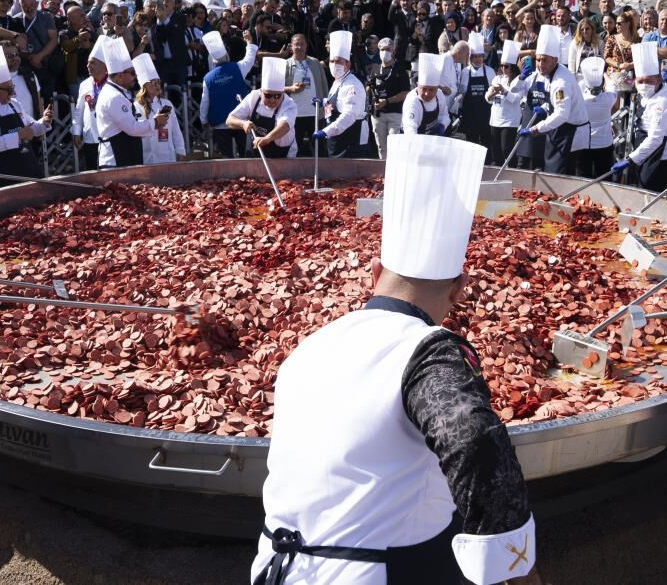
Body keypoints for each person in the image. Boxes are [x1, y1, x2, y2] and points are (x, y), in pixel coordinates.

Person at [249, 133, 536, 585]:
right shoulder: (429, 351)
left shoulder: (309, 347)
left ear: (375, 273)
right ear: (458, 291)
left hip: (276, 570)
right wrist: (514, 569)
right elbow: (475, 441)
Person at [514, 24, 589, 175]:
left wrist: (536, 128)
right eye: (538, 60)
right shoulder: (545, 73)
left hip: (571, 131)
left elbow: (562, 114)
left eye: (545, 60)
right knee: (551, 170)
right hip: (558, 128)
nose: (540, 65)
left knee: (562, 173)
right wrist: (546, 108)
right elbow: (516, 90)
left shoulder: (561, 82)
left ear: (555, 60)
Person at [0, 45, 51, 187]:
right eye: (8, 89)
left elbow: (32, 127)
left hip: (26, 166)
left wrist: (44, 121)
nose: (12, 93)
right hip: (3, 171)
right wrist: (19, 135)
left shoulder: (14, 103)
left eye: (12, 88)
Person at [610, 42, 667, 192]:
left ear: (659, 79)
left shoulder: (661, 102)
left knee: (652, 193)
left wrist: (631, 159)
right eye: (640, 81)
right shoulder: (649, 93)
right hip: (648, 149)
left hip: (662, 155)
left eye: (649, 81)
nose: (644, 85)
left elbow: (655, 139)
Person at [95, 38, 166, 167]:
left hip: (122, 155)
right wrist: (155, 122)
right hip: (116, 159)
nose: (135, 77)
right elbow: (132, 128)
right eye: (132, 73)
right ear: (119, 76)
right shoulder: (114, 97)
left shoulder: (116, 92)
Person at [200, 29, 258, 158]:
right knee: (244, 155)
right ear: (227, 55)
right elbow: (250, 58)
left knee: (226, 159)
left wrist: (203, 120)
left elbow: (205, 101)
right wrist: (249, 42)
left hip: (220, 124)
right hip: (240, 121)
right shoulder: (237, 68)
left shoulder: (207, 78)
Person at [227, 57, 297, 158]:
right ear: (261, 92)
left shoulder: (289, 104)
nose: (273, 100)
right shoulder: (254, 97)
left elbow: (284, 126)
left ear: (282, 93)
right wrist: (243, 123)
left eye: (277, 96)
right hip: (259, 151)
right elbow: (229, 120)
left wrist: (267, 139)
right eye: (268, 96)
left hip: (285, 154)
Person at [313, 30, 368, 158]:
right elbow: (339, 103)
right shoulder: (338, 80)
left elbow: (349, 115)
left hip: (349, 139)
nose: (334, 65)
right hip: (336, 139)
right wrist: (324, 101)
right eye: (332, 61)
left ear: (348, 64)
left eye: (338, 62)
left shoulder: (352, 85)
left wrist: (326, 132)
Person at [133, 53, 185, 165]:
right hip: (146, 158)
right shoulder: (136, 106)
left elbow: (176, 130)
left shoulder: (166, 104)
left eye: (158, 82)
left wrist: (180, 150)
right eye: (153, 83)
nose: (157, 86)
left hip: (167, 155)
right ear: (144, 86)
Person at [285, 34, 329, 158]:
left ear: (306, 45)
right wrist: (291, 89)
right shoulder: (286, 65)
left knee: (319, 148)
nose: (299, 47)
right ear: (291, 47)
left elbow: (324, 85)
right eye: (296, 44)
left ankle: (322, 174)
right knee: (295, 148)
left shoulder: (315, 63)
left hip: (315, 114)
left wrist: (326, 106)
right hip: (294, 114)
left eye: (302, 44)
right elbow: (277, 89)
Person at [574, 56, 616, 178]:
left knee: (583, 178)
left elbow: (579, 85)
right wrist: (604, 75)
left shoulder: (581, 99)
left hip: (584, 145)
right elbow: (612, 84)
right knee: (604, 178)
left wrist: (587, 78)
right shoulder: (608, 99)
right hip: (604, 145)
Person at [71, 35, 108, 171]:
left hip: (108, 136)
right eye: (88, 62)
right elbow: (79, 109)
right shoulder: (85, 84)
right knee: (92, 170)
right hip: (89, 136)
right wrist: (76, 131)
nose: (88, 66)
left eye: (92, 63)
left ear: (103, 65)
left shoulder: (112, 84)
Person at [368, 37, 408, 159]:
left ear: (393, 51)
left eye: (388, 49)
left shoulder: (401, 70)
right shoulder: (375, 69)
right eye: (382, 49)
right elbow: (369, 87)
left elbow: (406, 93)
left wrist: (387, 101)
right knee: (381, 146)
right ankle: (383, 171)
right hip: (377, 114)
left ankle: (395, 170)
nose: (385, 52)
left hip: (395, 113)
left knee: (394, 145)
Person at [486, 39, 523, 166]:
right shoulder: (497, 78)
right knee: (496, 151)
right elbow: (487, 97)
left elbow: (515, 98)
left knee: (506, 149)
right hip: (495, 119)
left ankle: (513, 171)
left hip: (509, 120)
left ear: (512, 67)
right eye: (501, 66)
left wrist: (504, 91)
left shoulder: (519, 80)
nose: (503, 68)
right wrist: (493, 93)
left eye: (506, 66)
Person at [457, 32, 495, 154]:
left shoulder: (490, 71)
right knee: (470, 144)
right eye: (475, 56)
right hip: (470, 114)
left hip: (486, 114)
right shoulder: (464, 72)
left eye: (480, 56)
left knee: (486, 143)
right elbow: (462, 92)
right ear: (470, 57)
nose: (478, 59)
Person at [402, 53, 449, 135]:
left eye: (431, 90)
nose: (427, 93)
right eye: (424, 89)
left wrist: (441, 126)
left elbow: (444, 115)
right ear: (418, 86)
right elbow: (410, 129)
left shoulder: (440, 96)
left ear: (437, 88)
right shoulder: (413, 102)